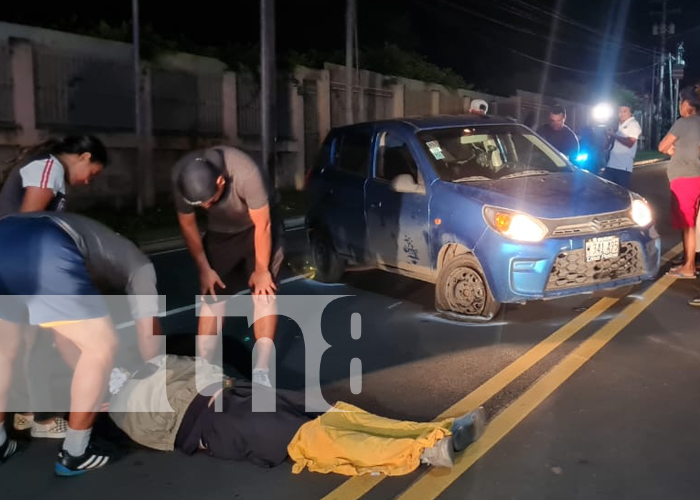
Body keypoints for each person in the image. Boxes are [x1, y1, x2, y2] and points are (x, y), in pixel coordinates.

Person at [108, 354, 487, 475]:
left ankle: (437, 430)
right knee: (318, 439)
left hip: (236, 394)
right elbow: (167, 432)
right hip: (220, 421)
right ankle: (426, 452)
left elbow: (197, 365)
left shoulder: (152, 364)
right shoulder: (122, 410)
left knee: (338, 415)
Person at [0, 211, 162, 475]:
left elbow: (63, 337)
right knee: (103, 346)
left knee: (4, 351)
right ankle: (76, 452)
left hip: (5, 233)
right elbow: (148, 334)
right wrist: (153, 377)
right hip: (45, 242)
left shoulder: (95, 244)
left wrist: (100, 387)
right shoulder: (140, 266)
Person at [0, 135, 108, 439]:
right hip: (21, 265)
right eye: (93, 172)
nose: (87, 181)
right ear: (84, 157)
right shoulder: (49, 169)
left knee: (18, 346)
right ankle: (39, 421)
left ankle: (26, 415)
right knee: (25, 346)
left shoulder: (42, 167)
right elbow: (28, 223)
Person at [171, 146, 284, 388]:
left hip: (259, 226)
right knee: (212, 296)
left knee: (264, 294)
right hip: (221, 235)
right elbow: (188, 226)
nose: (206, 208)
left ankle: (262, 371)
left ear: (221, 181)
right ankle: (204, 369)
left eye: (209, 202)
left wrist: (262, 270)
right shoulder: (181, 177)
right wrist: (203, 267)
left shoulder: (245, 172)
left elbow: (263, 225)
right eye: (200, 205)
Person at [657, 85, 700, 282]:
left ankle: (689, 266)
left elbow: (662, 146)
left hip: (684, 179)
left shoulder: (683, 122)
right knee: (691, 224)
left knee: (688, 225)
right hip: (697, 177)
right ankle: (688, 262)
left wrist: (673, 150)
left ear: (686, 104)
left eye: (681, 102)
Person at [600, 105, 642, 188]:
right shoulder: (618, 125)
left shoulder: (633, 124)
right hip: (611, 165)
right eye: (620, 111)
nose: (621, 114)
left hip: (623, 167)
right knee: (605, 191)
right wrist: (608, 136)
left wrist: (614, 135)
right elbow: (606, 146)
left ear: (631, 113)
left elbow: (630, 143)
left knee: (621, 193)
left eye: (625, 111)